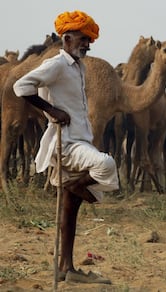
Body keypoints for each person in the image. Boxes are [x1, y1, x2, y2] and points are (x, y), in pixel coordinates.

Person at [13, 10, 119, 284]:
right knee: (106, 165)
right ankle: (74, 185)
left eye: (88, 40)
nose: (87, 44)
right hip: (67, 142)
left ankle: (66, 268)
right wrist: (51, 110)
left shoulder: (78, 67)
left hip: (80, 139)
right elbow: (21, 86)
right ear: (68, 38)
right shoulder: (57, 65)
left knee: (70, 209)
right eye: (83, 39)